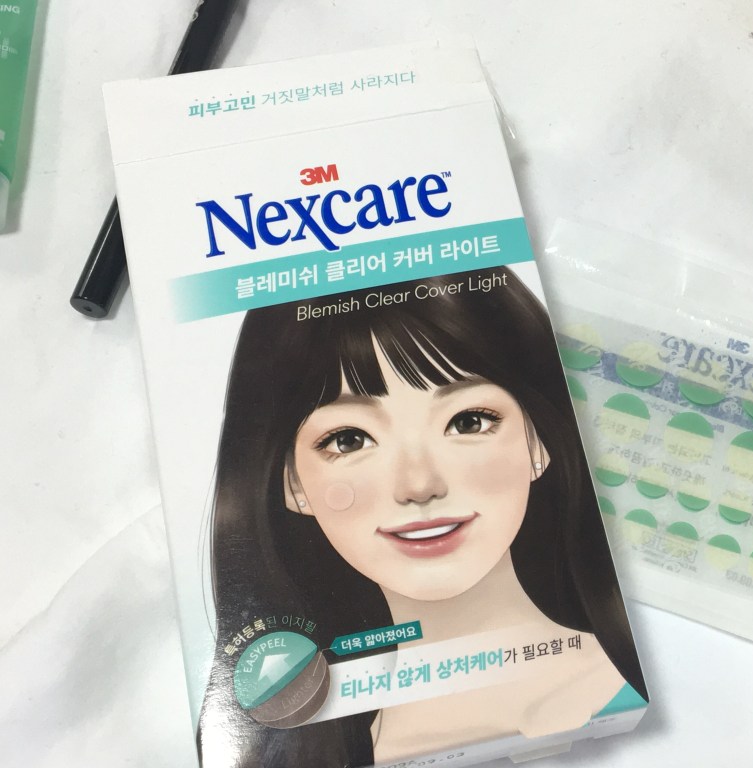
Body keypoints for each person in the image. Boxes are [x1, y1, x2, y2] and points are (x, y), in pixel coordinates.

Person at [198, 266, 646, 767]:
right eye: (349, 440)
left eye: (468, 422)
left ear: (538, 441)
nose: (419, 485)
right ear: (292, 483)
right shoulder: (309, 744)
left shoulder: (615, 682)